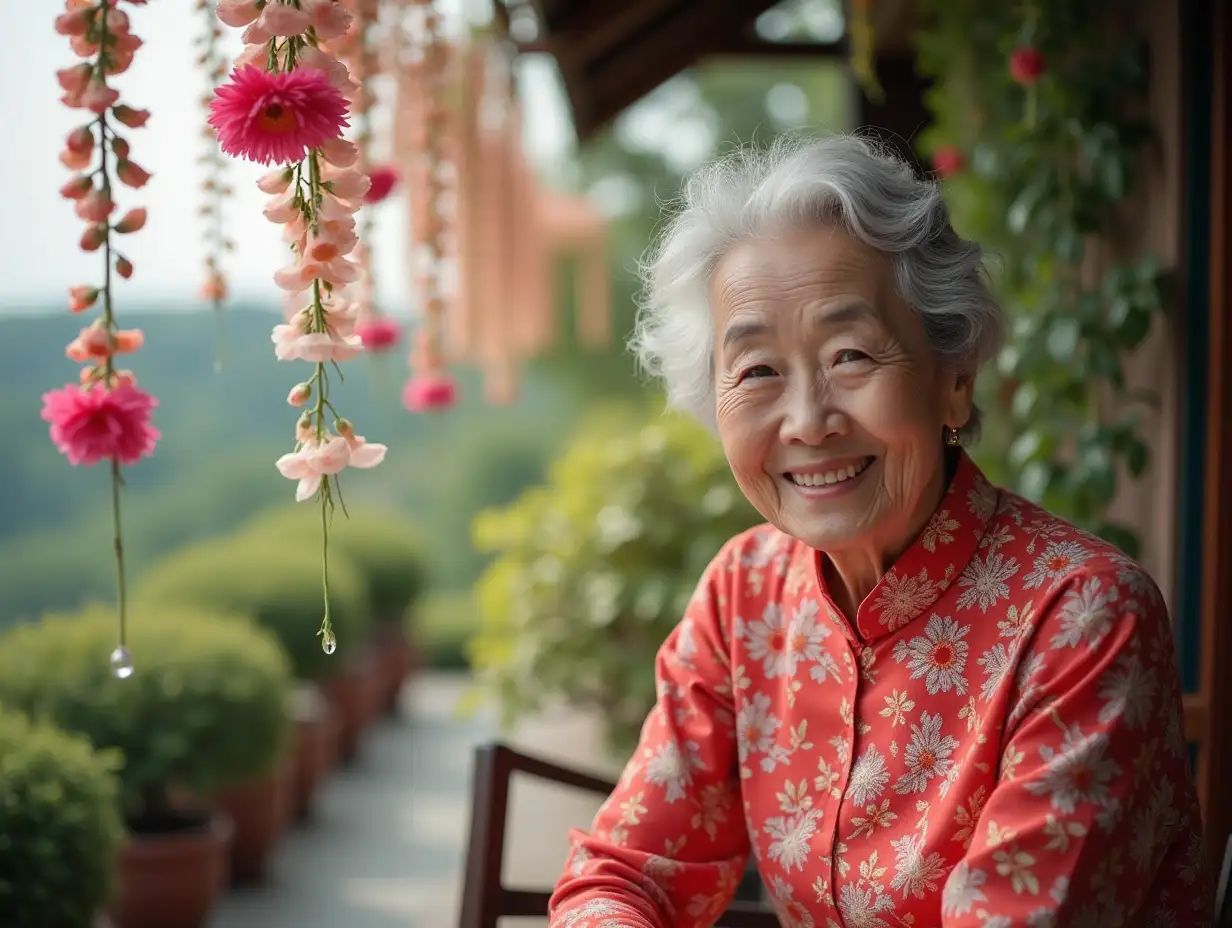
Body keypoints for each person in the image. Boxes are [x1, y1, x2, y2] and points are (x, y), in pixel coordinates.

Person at [546, 135, 1211, 928]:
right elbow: (624, 873)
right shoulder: (745, 592)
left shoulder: (1081, 617)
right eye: (757, 370)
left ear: (953, 379)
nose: (808, 421)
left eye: (851, 355)